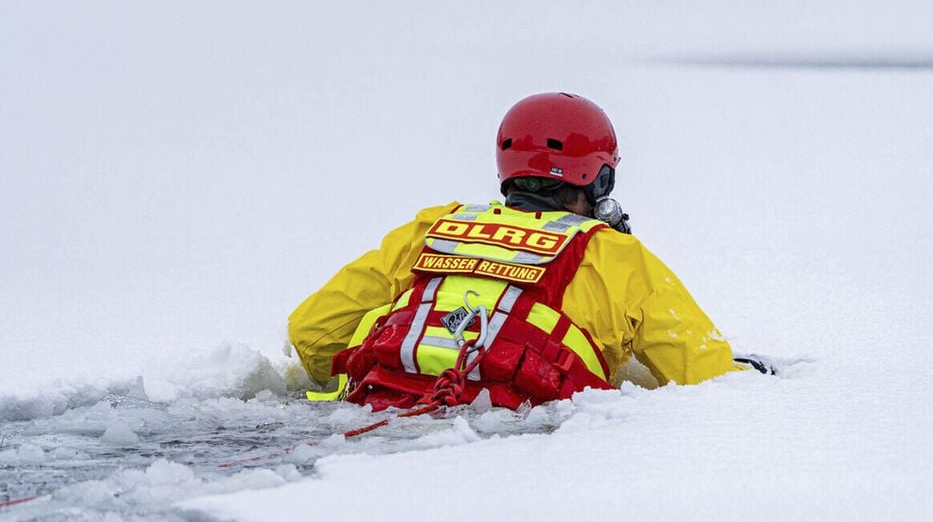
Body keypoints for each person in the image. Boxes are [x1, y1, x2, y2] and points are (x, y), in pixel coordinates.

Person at [289, 92, 757, 411]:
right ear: (601, 179)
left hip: (376, 414)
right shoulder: (617, 257)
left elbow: (311, 334)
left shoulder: (436, 226)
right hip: (524, 439)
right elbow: (708, 381)